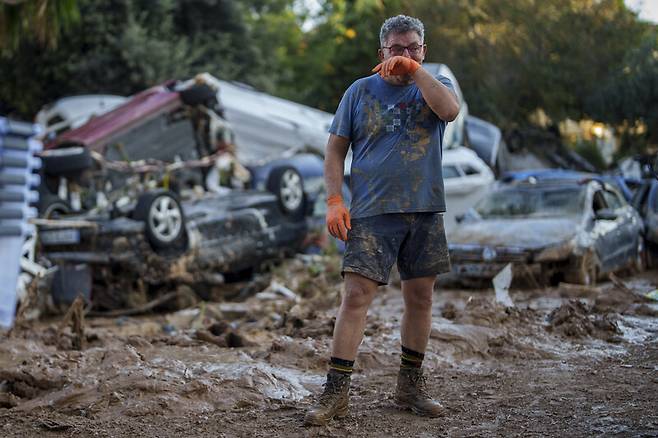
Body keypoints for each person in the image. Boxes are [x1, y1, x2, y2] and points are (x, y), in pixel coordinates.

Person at [305, 15, 460, 425]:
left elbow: (450, 112)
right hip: (372, 212)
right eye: (397, 49)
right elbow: (335, 150)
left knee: (420, 298)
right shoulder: (359, 92)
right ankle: (335, 394)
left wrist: (415, 72)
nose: (404, 56)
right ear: (381, 54)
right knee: (355, 297)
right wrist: (335, 199)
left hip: (425, 208)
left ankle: (410, 386)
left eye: (413, 48)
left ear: (423, 51)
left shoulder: (435, 86)